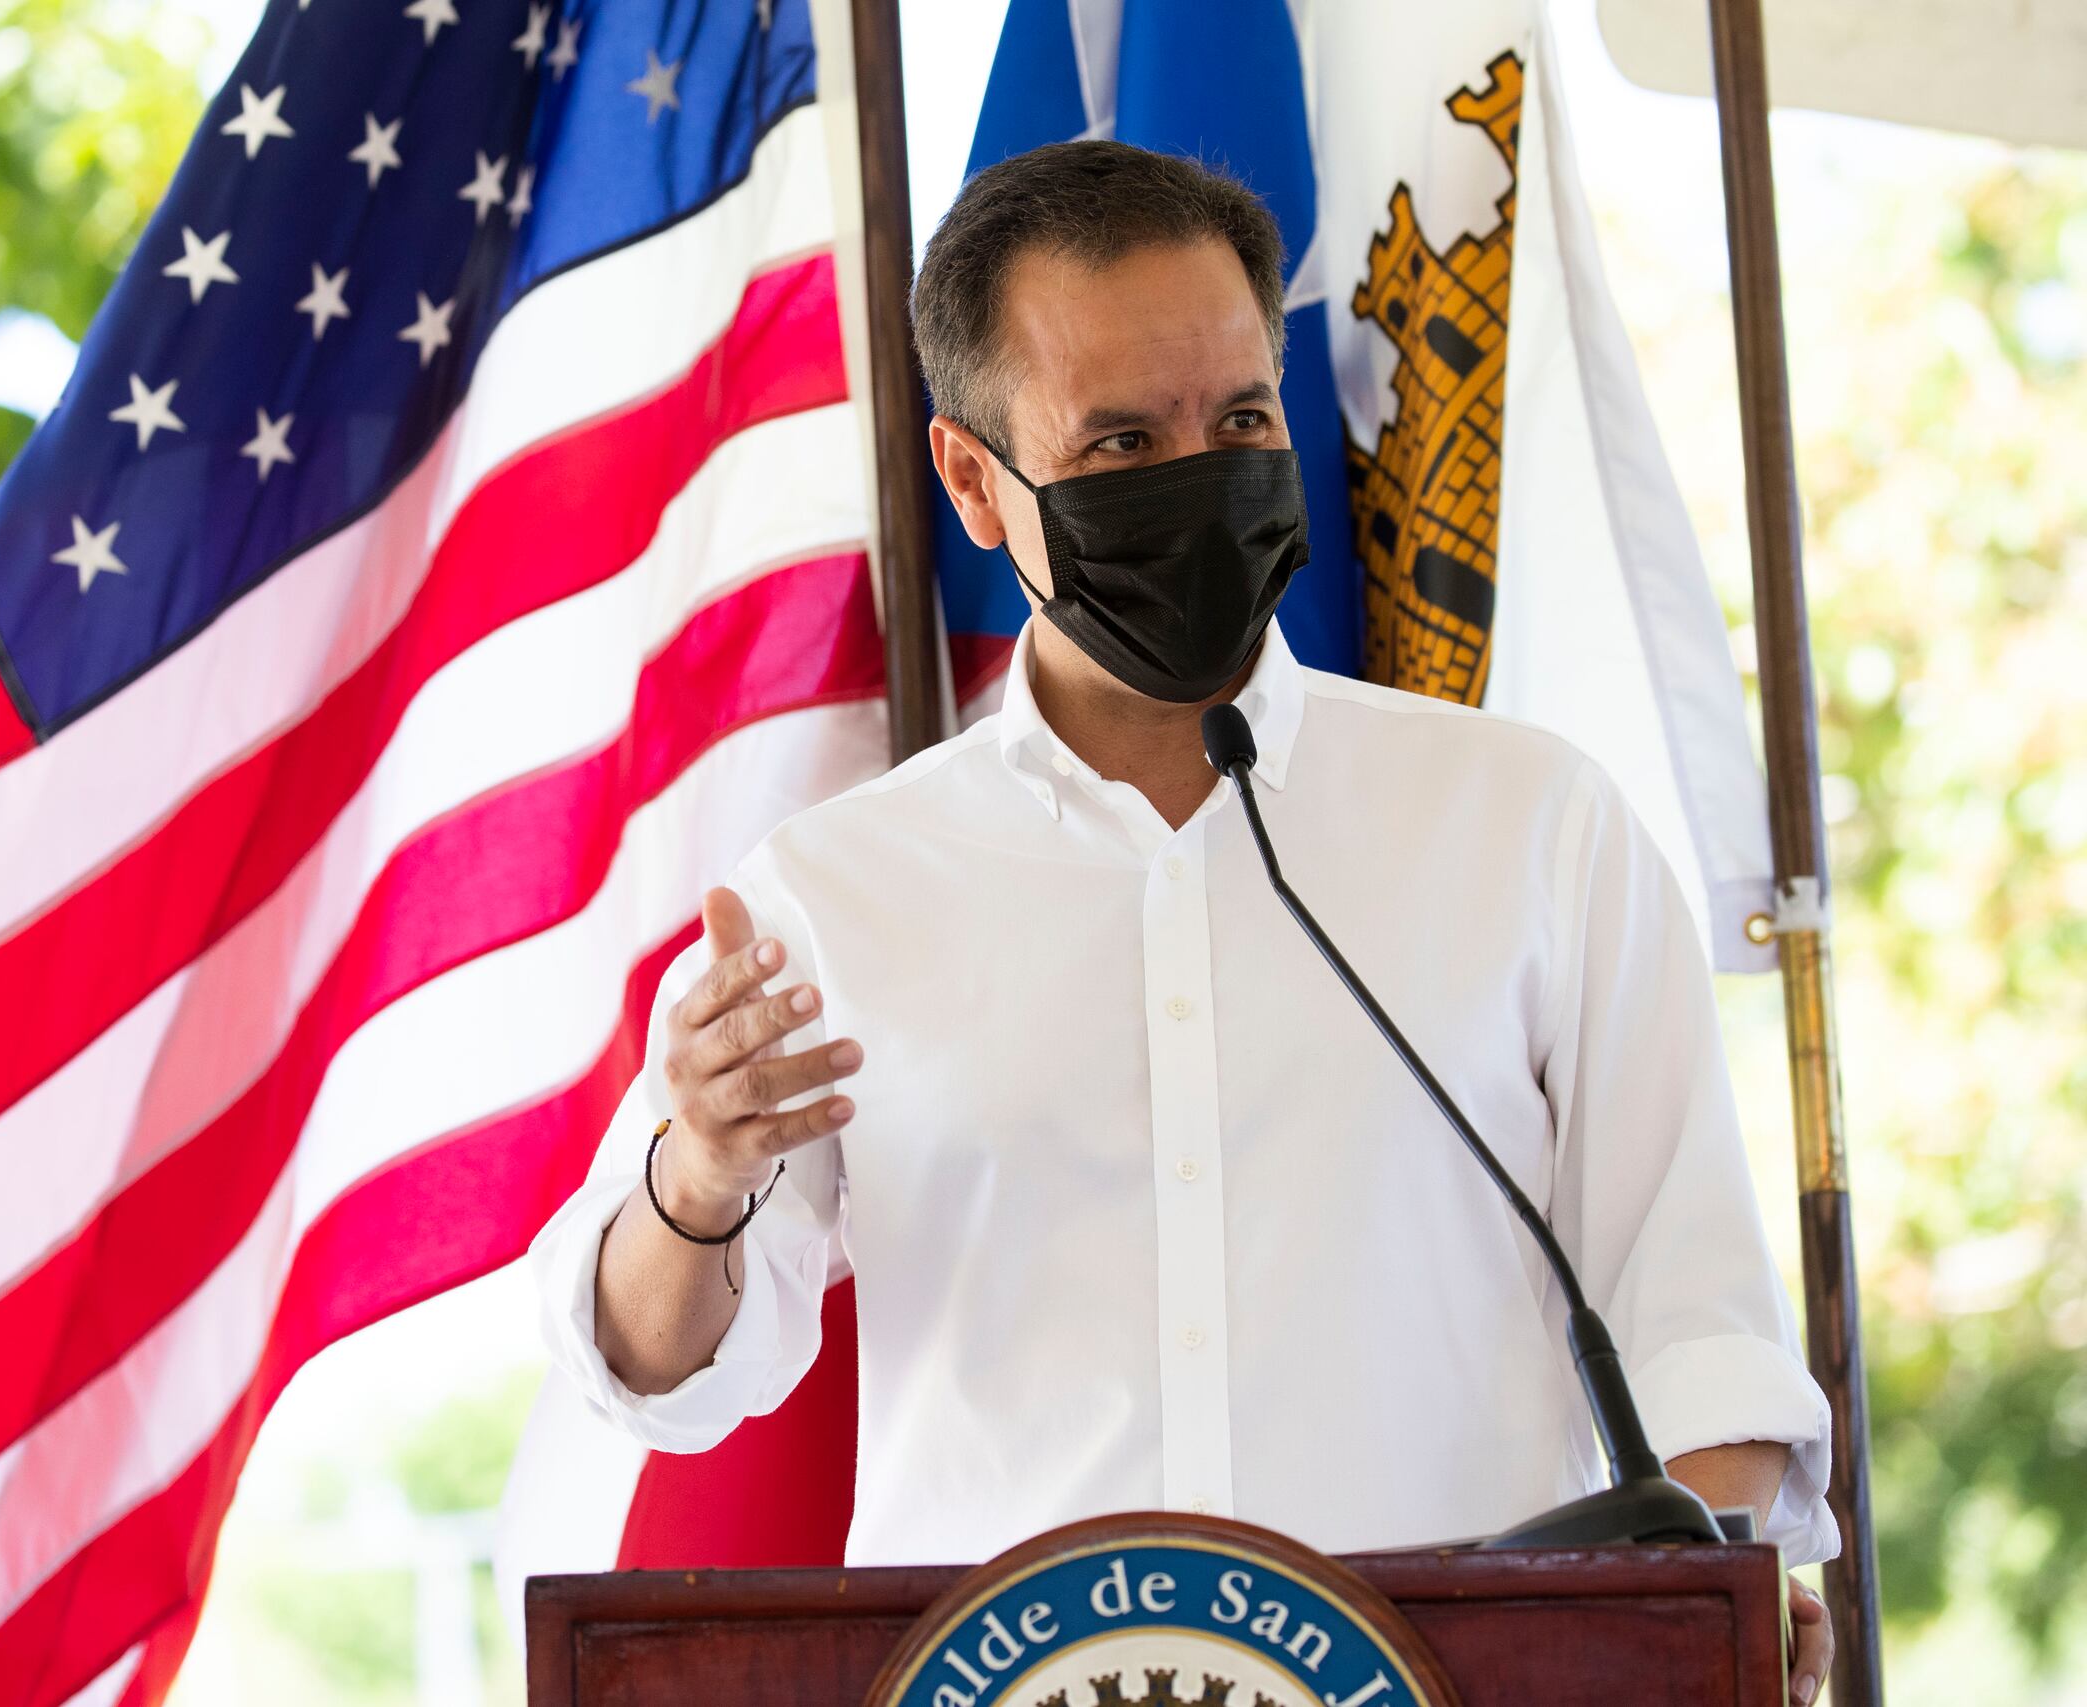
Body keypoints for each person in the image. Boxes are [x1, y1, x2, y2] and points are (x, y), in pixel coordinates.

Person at [531, 140, 1837, 1704]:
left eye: (1240, 420)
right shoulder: (835, 892)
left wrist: (1704, 1592)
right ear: (971, 480)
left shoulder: (1532, 828)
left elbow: (1699, 1332)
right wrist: (701, 1171)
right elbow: (655, 1371)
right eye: (1124, 441)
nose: (1198, 479)